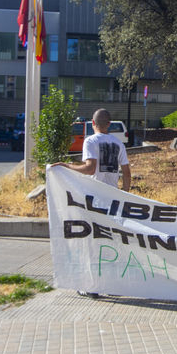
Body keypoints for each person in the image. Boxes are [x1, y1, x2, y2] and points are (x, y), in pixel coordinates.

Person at [51, 109, 133, 300]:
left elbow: (89, 169)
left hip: (94, 200)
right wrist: (125, 195)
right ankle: (113, 285)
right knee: (110, 242)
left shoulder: (90, 141)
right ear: (110, 124)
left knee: (93, 242)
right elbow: (127, 173)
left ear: (93, 124)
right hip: (112, 199)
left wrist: (66, 166)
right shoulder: (118, 143)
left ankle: (93, 286)